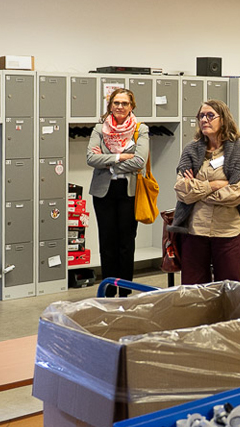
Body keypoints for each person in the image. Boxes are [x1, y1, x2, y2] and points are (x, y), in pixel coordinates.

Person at [170, 100, 240, 284]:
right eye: (201, 116)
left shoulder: (239, 151)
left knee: (229, 289)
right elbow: (181, 190)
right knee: (193, 290)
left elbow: (236, 193)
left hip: (228, 232)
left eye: (210, 115)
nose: (204, 120)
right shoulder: (191, 150)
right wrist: (215, 185)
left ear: (224, 120)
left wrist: (197, 188)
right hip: (195, 231)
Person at [87, 88, 150, 297]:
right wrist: (120, 158)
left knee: (126, 242)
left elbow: (140, 160)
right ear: (110, 106)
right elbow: (91, 158)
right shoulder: (99, 129)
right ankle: (108, 289)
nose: (120, 107)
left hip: (129, 191)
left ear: (131, 106)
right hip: (103, 192)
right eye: (116, 103)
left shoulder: (140, 129)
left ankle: (125, 290)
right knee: (107, 242)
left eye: (124, 103)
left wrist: (110, 165)